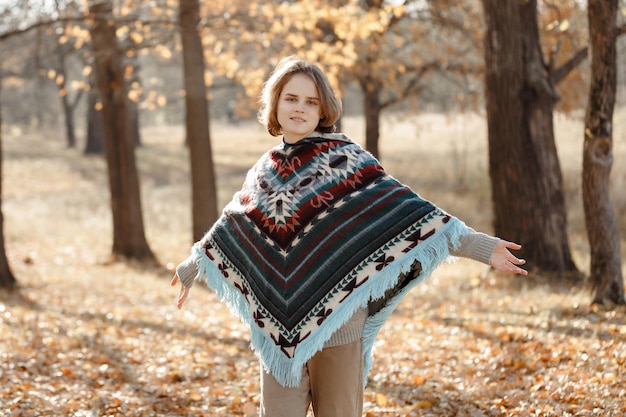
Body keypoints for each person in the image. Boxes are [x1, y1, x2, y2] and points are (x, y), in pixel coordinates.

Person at [171, 55, 528, 417]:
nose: (299, 108)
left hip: (339, 325)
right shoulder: (265, 170)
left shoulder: (347, 161)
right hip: (278, 333)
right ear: (275, 104)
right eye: (291, 98)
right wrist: (192, 266)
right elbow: (234, 225)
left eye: (311, 101)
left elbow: (413, 214)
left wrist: (483, 248)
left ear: (323, 109)